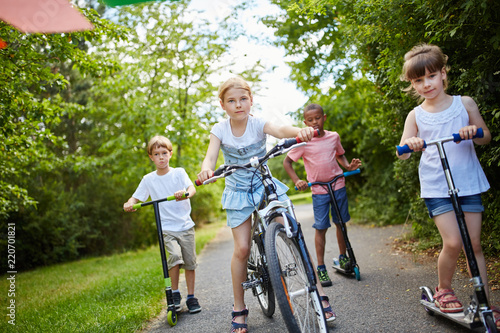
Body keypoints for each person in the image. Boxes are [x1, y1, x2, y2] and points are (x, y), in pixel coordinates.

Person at [197, 76, 336, 333]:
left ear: (251, 100)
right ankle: (239, 307)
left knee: (291, 231)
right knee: (241, 249)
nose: (238, 104)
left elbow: (282, 131)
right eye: (231, 101)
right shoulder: (219, 130)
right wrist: (207, 171)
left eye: (243, 99)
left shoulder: (258, 123)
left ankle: (318, 294)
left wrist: (299, 131)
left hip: (264, 184)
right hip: (238, 192)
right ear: (222, 104)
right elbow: (210, 157)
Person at [397, 43, 498, 326]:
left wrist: (472, 131)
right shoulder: (416, 115)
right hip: (436, 185)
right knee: (453, 242)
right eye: (418, 80)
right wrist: (411, 144)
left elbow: (485, 136)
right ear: (412, 83)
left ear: (443, 73)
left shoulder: (464, 104)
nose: (426, 84)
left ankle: (485, 303)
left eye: (431, 76)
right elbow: (402, 149)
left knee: (473, 244)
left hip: (467, 181)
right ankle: (444, 289)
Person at [283, 103, 362, 287]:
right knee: (321, 227)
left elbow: (340, 155)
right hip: (318, 190)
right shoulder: (303, 142)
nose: (314, 123)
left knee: (340, 223)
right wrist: (297, 181)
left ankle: (343, 257)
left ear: (324, 117)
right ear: (304, 122)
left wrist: (347, 167)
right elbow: (288, 162)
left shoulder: (334, 137)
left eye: (317, 118)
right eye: (310, 120)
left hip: (338, 184)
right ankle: (321, 267)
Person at [123, 135, 202, 314]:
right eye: (156, 154)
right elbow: (136, 196)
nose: (161, 157)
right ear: (151, 157)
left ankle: (191, 296)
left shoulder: (179, 173)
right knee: (174, 257)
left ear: (170, 154)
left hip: (185, 226)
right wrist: (129, 202)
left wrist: (185, 193)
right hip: (167, 228)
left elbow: (192, 188)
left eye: (164, 153)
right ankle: (174, 294)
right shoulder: (148, 179)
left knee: (190, 263)